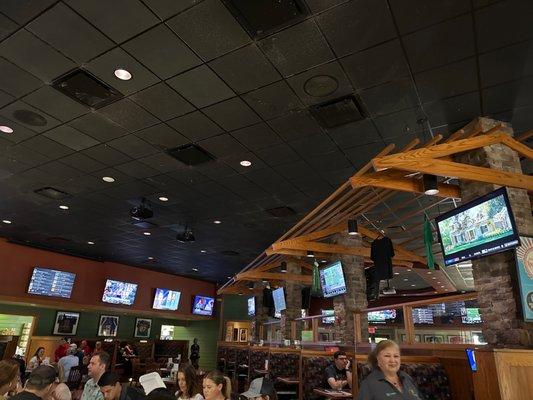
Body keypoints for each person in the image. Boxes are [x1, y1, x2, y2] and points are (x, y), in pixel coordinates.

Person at [357, 340, 422, 400]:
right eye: (387, 356)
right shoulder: (368, 384)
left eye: (396, 356)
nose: (392, 360)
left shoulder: (407, 377)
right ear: (377, 359)